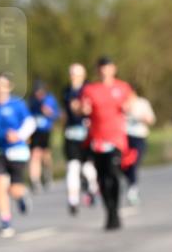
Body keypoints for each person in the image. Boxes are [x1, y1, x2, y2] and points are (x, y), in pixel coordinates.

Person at [0, 72, 35, 238]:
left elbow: (30, 123)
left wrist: (18, 135)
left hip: (17, 150)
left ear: (9, 87)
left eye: (3, 85)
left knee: (14, 189)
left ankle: (21, 196)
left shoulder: (18, 104)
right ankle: (5, 223)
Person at [80, 56, 133, 230]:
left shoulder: (122, 87)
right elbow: (83, 108)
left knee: (114, 175)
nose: (105, 70)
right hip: (97, 139)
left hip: (116, 139)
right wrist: (83, 109)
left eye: (108, 67)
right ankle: (108, 211)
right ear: (98, 70)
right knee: (102, 178)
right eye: (101, 67)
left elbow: (131, 103)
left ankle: (115, 210)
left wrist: (128, 107)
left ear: (113, 69)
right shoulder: (90, 89)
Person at [62, 63, 99, 216]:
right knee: (73, 167)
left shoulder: (90, 89)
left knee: (87, 167)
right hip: (71, 134)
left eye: (76, 74)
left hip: (87, 134)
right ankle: (73, 201)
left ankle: (92, 187)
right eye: (71, 74)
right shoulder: (67, 91)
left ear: (83, 76)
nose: (73, 77)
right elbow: (72, 109)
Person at [124, 86, 156, 206]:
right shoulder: (122, 103)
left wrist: (143, 118)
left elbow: (151, 119)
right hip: (124, 137)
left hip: (139, 137)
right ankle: (130, 184)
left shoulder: (142, 103)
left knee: (134, 163)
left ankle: (132, 189)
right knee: (124, 165)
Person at [27, 80, 59, 193]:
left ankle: (47, 175)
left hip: (46, 130)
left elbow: (57, 114)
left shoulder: (50, 99)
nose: (38, 95)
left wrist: (49, 113)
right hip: (34, 131)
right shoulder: (31, 101)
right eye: (36, 92)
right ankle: (35, 181)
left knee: (45, 155)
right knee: (35, 154)